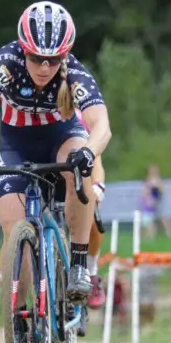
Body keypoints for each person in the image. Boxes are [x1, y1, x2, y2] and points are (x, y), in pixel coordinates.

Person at [0, 1, 112, 343]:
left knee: (78, 169)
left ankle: (79, 264)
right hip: (17, 145)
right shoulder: (4, 64)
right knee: (14, 236)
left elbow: (100, 125)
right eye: (37, 57)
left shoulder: (74, 73)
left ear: (65, 56)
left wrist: (88, 152)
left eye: (53, 60)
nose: (44, 67)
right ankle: (19, 326)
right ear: (23, 49)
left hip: (62, 138)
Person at [75, 108, 107, 310]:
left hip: (79, 175)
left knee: (92, 219)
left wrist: (98, 186)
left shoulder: (80, 117)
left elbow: (96, 160)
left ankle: (92, 271)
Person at [141, 165, 171, 238]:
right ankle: (148, 235)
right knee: (147, 219)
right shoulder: (147, 180)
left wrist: (156, 186)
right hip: (150, 202)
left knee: (164, 217)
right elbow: (145, 192)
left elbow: (163, 190)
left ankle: (170, 233)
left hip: (159, 200)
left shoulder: (159, 180)